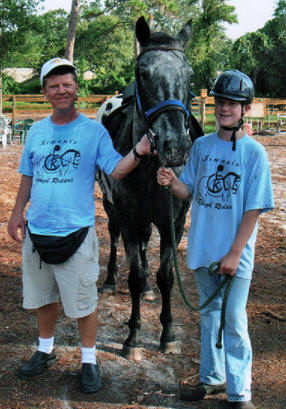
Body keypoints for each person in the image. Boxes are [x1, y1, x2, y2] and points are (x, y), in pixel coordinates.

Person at [7, 57, 152, 394]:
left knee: (84, 303)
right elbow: (28, 175)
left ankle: (89, 359)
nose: (61, 90)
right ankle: (45, 350)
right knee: (43, 298)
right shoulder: (38, 131)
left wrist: (141, 150)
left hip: (77, 232)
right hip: (38, 231)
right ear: (45, 92)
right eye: (54, 86)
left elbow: (116, 169)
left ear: (76, 89)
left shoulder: (92, 131)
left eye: (67, 84)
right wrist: (17, 212)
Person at [157, 69, 274, 409]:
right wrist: (171, 180)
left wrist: (235, 253)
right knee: (209, 318)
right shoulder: (201, 146)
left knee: (233, 320)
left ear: (245, 110)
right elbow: (187, 190)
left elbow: (253, 208)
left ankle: (240, 393)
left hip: (233, 255)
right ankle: (212, 377)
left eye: (232, 104)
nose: (225, 109)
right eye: (221, 103)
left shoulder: (254, 154)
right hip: (203, 249)